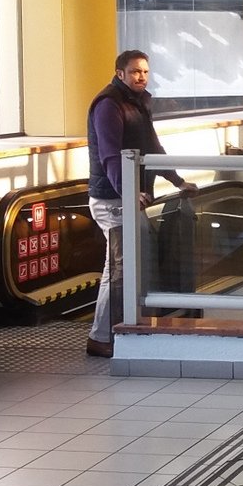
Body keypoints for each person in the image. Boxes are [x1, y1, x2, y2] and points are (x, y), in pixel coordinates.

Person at [85, 50, 196, 357]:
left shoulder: (138, 102)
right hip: (113, 199)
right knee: (119, 270)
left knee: (130, 268)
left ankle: (125, 330)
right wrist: (128, 192)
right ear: (120, 73)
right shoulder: (108, 104)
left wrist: (177, 181)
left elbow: (151, 147)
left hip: (128, 198)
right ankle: (101, 337)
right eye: (134, 72)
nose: (141, 77)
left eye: (145, 72)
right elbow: (110, 155)